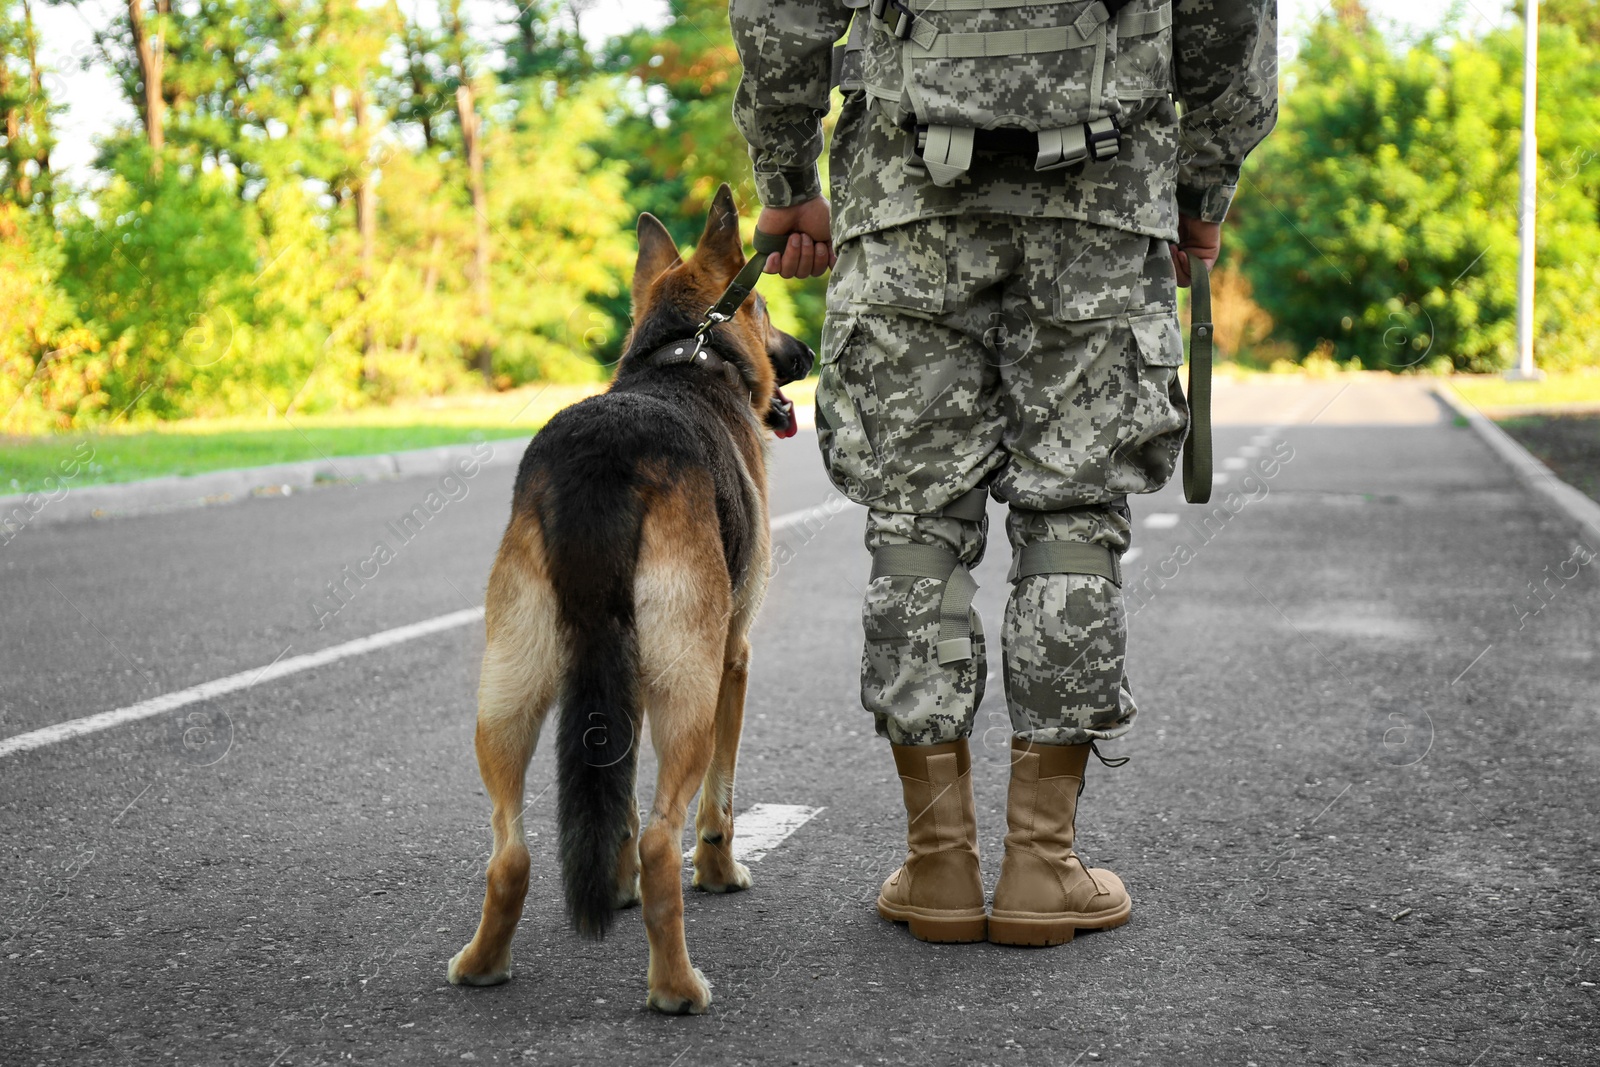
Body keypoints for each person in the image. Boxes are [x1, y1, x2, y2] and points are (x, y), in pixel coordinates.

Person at [730, 0, 1277, 945]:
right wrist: (1199, 194)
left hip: (905, 208)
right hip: (1103, 209)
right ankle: (1043, 865)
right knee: (1072, 521)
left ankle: (939, 867)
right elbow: (1232, 26)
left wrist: (786, 179)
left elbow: (779, 16)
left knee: (914, 533)